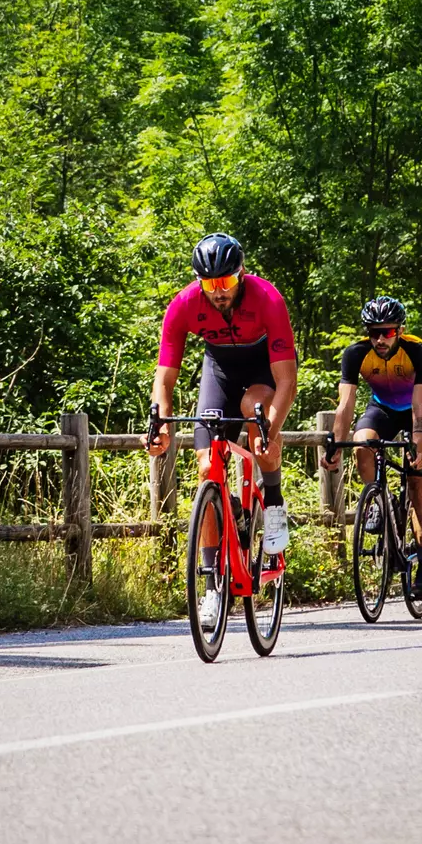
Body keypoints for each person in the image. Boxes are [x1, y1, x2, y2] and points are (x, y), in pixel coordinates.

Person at [146, 232, 300, 631]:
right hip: (219, 372)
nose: (218, 292)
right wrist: (159, 422)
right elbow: (164, 378)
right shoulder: (182, 305)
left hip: (261, 373)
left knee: (256, 410)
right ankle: (213, 580)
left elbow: (288, 382)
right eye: (210, 284)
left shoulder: (268, 300)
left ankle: (274, 503)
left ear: (241, 274)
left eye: (226, 283)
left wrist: (270, 430)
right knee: (205, 468)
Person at [323, 296, 422, 595]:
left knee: (417, 485)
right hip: (382, 410)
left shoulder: (420, 352)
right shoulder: (356, 353)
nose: (379, 339)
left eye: (386, 332)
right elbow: (345, 405)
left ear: (400, 330)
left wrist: (419, 450)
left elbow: (420, 408)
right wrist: (335, 444)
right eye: (373, 332)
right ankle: (377, 500)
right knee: (362, 444)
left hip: (414, 413)